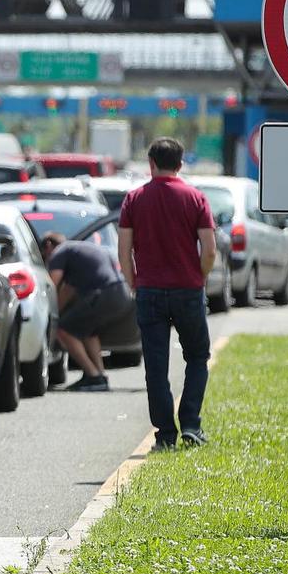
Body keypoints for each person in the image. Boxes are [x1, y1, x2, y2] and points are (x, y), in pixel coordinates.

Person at [117, 137, 217, 450]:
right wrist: (197, 277)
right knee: (197, 356)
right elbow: (210, 249)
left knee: (155, 366)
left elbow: (124, 250)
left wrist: (134, 281)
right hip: (187, 289)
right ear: (181, 163)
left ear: (151, 164)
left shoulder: (134, 199)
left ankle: (165, 434)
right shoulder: (196, 198)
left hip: (149, 290)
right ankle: (190, 423)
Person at [48, 234, 135, 392]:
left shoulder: (61, 251)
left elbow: (52, 285)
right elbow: (69, 290)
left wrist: (51, 315)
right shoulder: (84, 249)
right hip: (121, 291)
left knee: (63, 330)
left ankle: (92, 375)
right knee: (89, 332)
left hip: (104, 293)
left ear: (48, 245)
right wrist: (59, 311)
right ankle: (99, 376)